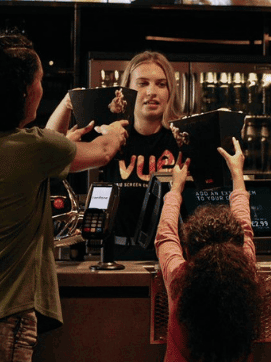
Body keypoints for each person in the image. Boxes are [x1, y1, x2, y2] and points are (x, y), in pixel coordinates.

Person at [0, 33, 128, 361]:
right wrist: (117, 130)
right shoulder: (28, 148)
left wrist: (66, 111)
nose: (41, 89)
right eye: (39, 81)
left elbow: (47, 142)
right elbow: (102, 151)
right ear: (21, 91)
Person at [47, 51, 182, 257]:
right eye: (143, 83)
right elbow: (50, 148)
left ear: (170, 90)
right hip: (117, 254)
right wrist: (68, 101)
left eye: (161, 84)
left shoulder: (180, 138)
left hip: (170, 254)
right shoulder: (112, 133)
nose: (151, 92)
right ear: (126, 90)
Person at [155, 138, 262, 362]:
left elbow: (165, 234)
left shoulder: (179, 277)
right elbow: (245, 225)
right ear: (237, 245)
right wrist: (237, 174)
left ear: (188, 249)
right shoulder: (247, 271)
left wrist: (176, 187)